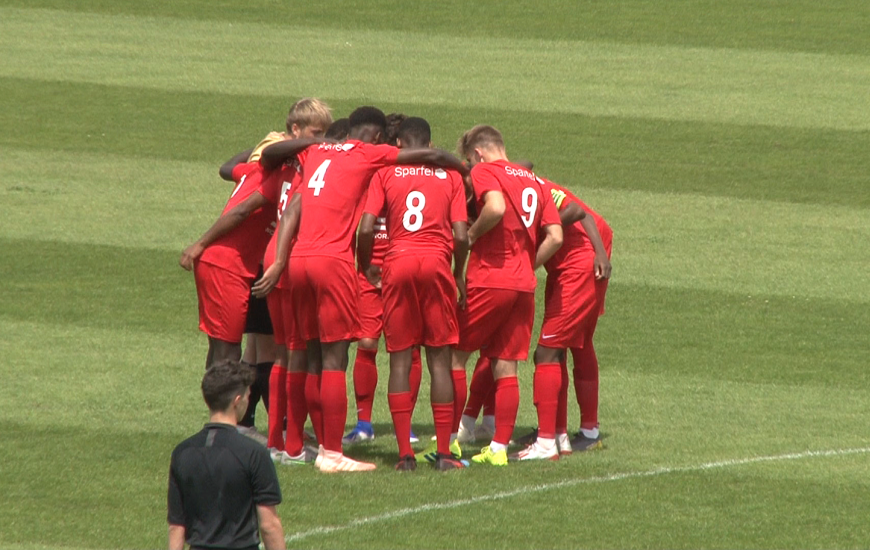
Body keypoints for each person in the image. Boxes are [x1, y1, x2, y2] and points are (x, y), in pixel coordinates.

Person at [252, 106, 467, 473]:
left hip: (297, 258)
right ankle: (334, 454)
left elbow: (288, 202)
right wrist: (462, 168)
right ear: (380, 138)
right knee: (348, 358)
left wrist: (278, 262)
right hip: (335, 261)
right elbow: (430, 158)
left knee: (302, 353)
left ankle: (294, 444)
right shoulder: (370, 154)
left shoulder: (315, 150)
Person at [358, 116, 469, 471]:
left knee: (400, 359)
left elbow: (365, 227)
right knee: (439, 359)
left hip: (398, 263)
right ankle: (445, 454)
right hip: (436, 263)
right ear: (431, 144)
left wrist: (364, 265)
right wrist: (457, 273)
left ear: (400, 145)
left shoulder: (385, 173)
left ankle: (404, 455)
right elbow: (463, 235)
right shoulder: (450, 176)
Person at [451, 124, 563, 467]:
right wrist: (529, 266)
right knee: (505, 365)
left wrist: (470, 234)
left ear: (478, 154)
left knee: (455, 356)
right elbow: (556, 236)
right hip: (522, 285)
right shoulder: (534, 180)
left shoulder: (486, 171)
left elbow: (496, 207)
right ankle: (498, 449)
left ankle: (450, 441)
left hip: (489, 278)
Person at [511, 175, 612, 460]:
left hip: (578, 265)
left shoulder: (526, 188)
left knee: (547, 353)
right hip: (574, 262)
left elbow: (578, 212)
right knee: (572, 346)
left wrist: (600, 253)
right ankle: (562, 433)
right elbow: (582, 212)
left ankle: (551, 441)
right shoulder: (527, 183)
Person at [344, 113, 424, 446]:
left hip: (398, 266)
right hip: (371, 267)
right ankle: (364, 423)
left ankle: (404, 422)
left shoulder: (403, 174)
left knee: (408, 349)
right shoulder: (368, 171)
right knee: (368, 344)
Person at [167, 360, 285, 550]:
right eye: (247, 396)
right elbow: (269, 525)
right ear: (237, 401)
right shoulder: (253, 453)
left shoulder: (182, 453)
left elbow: (176, 527)